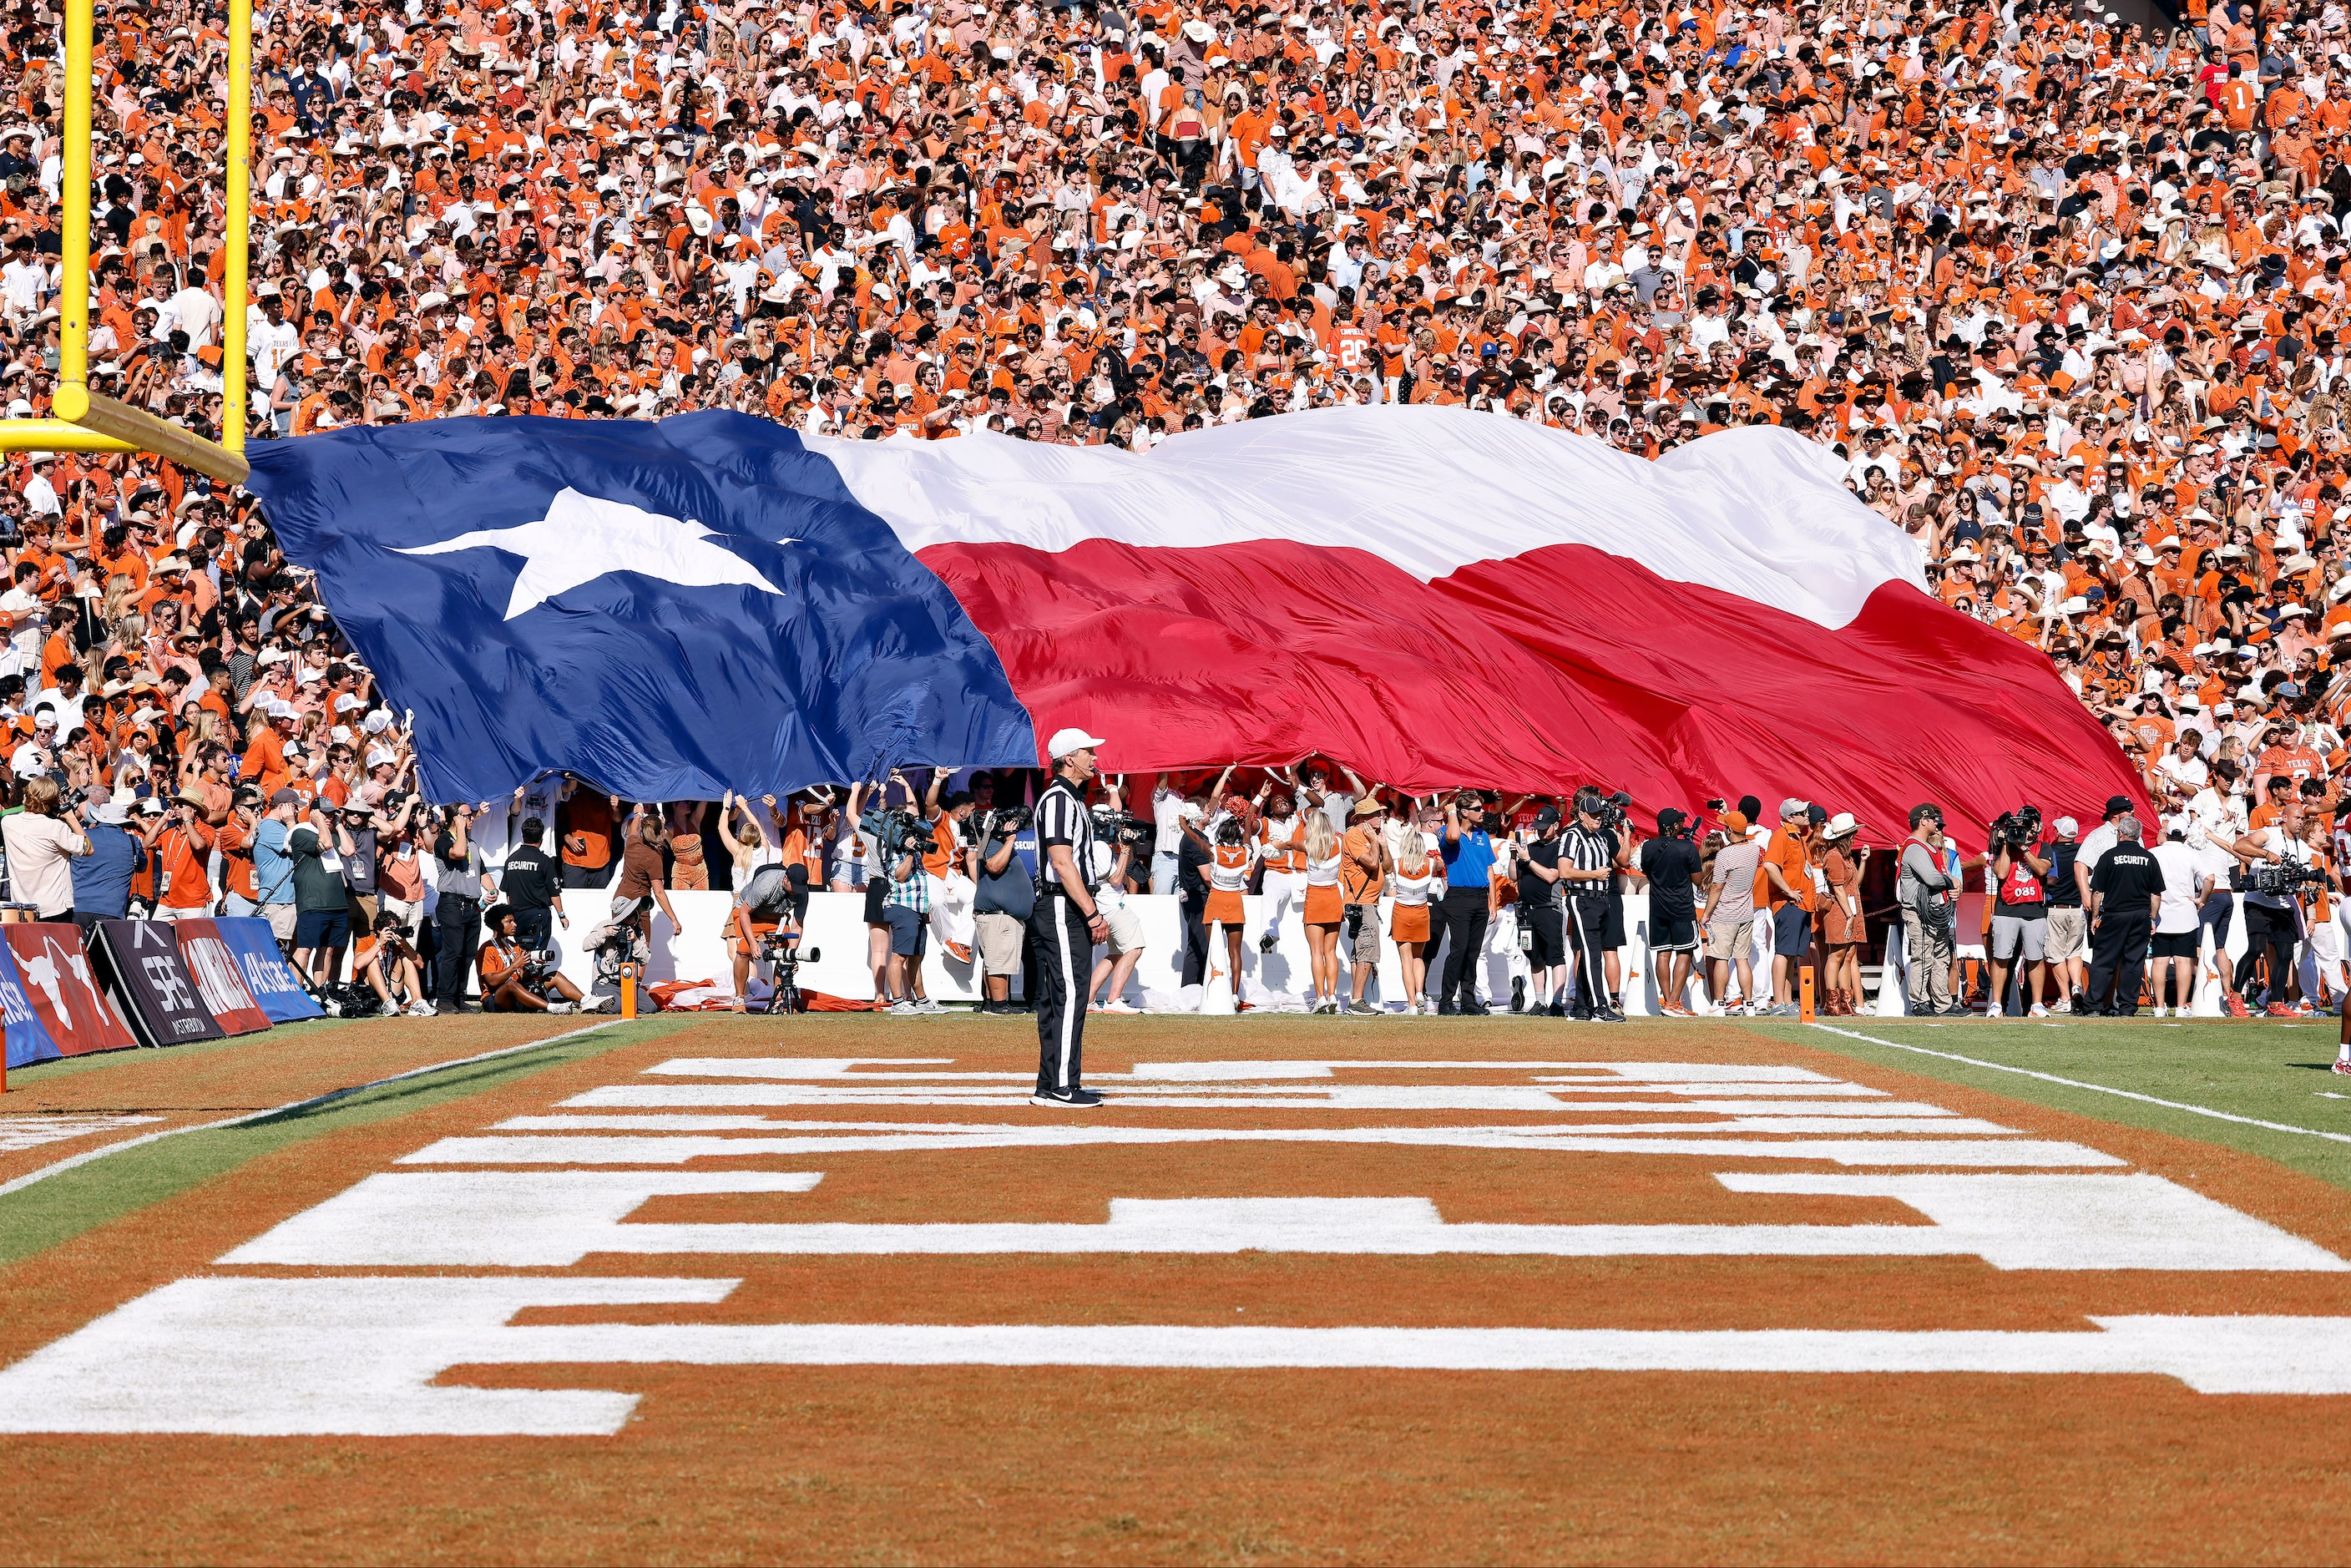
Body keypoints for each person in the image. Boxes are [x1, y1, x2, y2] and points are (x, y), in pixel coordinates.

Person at [1032, 729, 1109, 1107]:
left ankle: (1052, 1083)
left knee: (1059, 994)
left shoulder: (1069, 799)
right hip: (1062, 904)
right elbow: (1062, 862)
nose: (1095, 758)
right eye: (1088, 752)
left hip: (1065, 904)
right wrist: (1092, 914)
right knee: (1072, 993)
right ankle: (1062, 1085)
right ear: (1068, 758)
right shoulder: (1060, 800)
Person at [2086, 815, 2165, 1018]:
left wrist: (2095, 917)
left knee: (2104, 962)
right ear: (2137, 835)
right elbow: (2156, 894)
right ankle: (2128, 1007)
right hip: (2140, 916)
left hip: (2114, 915)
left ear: (2120, 834)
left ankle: (2094, 1005)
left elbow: (2097, 892)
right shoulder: (2149, 858)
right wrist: (2152, 918)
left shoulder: (2109, 856)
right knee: (2133, 963)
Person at [1558, 790, 1621, 1022]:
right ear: (1582, 814)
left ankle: (1581, 1007)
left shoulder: (1600, 838)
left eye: (1600, 814)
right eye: (1593, 814)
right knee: (1592, 953)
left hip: (1601, 899)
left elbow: (1619, 861)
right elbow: (1564, 871)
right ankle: (1600, 1007)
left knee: (1590, 954)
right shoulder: (1572, 835)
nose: (1598, 818)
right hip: (1582, 898)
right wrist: (1594, 874)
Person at [1434, 792, 1498, 1014]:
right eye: (1477, 809)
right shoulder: (1447, 831)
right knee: (1459, 950)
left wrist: (1493, 901)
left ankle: (1469, 1001)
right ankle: (1446, 1001)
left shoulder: (1482, 836)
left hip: (1480, 897)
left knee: (1473, 952)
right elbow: (1452, 835)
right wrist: (1450, 811)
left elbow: (1489, 869)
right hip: (1459, 897)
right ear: (1463, 812)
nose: (1483, 812)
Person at [1898, 805, 1963, 1018]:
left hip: (1934, 911)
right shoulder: (1915, 848)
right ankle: (1919, 1002)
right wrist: (1951, 882)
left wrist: (1954, 888)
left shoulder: (1927, 847)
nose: (1938, 823)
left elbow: (1939, 878)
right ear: (1923, 821)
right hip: (1919, 912)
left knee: (1941, 957)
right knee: (1923, 957)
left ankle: (1943, 1003)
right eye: (1935, 819)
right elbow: (1932, 878)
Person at [432, 802, 497, 1014]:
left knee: (468, 954)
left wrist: (492, 889)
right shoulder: (443, 841)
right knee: (453, 953)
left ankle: (459, 998)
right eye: (467, 816)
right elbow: (458, 853)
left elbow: (481, 870)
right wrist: (459, 828)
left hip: (471, 906)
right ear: (455, 819)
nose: (471, 819)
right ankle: (444, 999)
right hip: (452, 903)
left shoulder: (472, 844)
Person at [1641, 809, 1706, 1017]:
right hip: (1682, 908)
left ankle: (1668, 1001)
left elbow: (1648, 872)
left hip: (1658, 907)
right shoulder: (1687, 847)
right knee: (1685, 952)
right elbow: (1698, 880)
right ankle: (1673, 1003)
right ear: (1675, 826)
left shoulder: (1648, 846)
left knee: (1663, 953)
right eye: (1680, 821)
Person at [1986, 814, 2053, 1019]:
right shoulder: (2004, 847)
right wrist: (2007, 844)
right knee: (2001, 958)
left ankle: (2037, 1005)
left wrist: (2024, 847)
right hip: (2007, 909)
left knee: (2035, 958)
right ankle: (1996, 1004)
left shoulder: (2043, 847)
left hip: (2034, 910)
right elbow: (2001, 873)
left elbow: (2042, 869)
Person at [973, 803, 1034, 1017]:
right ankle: (999, 1005)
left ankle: (994, 1003)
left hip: (1001, 917)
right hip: (999, 918)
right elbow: (994, 866)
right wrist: (1009, 840)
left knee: (995, 961)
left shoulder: (993, 842)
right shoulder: (992, 843)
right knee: (998, 963)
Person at [1759, 800, 1818, 1017]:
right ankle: (1778, 1003)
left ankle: (1787, 1001)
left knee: (1792, 953)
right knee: (1783, 951)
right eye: (1802, 812)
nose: (1807, 815)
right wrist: (1788, 891)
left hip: (1801, 903)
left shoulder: (1798, 837)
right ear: (1790, 817)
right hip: (1788, 903)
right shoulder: (1781, 836)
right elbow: (1769, 865)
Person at [727, 858, 809, 1013]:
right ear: (785, 878)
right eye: (794, 887)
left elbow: (797, 926)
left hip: (776, 917)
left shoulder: (803, 893)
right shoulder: (766, 884)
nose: (796, 892)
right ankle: (739, 998)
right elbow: (744, 913)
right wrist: (752, 943)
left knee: (783, 956)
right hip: (749, 914)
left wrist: (791, 955)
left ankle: (779, 1000)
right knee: (743, 952)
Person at [1702, 812, 1764, 1015]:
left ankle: (1719, 1003)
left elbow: (1717, 887)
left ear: (1729, 830)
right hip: (1746, 913)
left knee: (1721, 958)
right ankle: (1749, 1004)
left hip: (1725, 913)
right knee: (1742, 959)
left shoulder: (1725, 855)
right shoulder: (1753, 849)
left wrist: (1706, 914)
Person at [4, 776, 90, 920]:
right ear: (54, 801)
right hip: (56, 907)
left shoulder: (7, 823)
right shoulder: (56, 828)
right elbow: (88, 849)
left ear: (26, 796)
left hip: (24, 910)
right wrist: (70, 818)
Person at [2150, 819, 2210, 1019]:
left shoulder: (2154, 853)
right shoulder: (2191, 854)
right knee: (2183, 961)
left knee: (2160, 962)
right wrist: (2202, 899)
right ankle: (2181, 1006)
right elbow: (2209, 878)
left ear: (2165, 834)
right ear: (2185, 836)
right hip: (2185, 915)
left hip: (2159, 916)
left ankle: (2159, 1006)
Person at [477, 904, 583, 1014]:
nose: (515, 925)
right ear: (498, 925)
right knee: (511, 985)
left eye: (514, 921)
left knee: (554, 976)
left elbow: (522, 977)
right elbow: (492, 982)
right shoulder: (487, 949)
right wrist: (515, 966)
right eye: (509, 922)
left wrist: (532, 970)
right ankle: (553, 1008)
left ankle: (587, 1001)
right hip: (495, 997)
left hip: (517, 992)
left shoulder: (514, 946)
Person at [1514, 807, 1569, 1016]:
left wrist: (1528, 860)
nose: (1541, 832)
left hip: (1549, 908)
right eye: (1538, 828)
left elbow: (1551, 876)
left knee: (1555, 956)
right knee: (1534, 957)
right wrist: (1514, 856)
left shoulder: (1560, 848)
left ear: (1556, 826)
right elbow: (1514, 876)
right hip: (1527, 911)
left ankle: (1556, 1003)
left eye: (1545, 828)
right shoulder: (1532, 847)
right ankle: (1539, 1001)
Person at [1201, 812, 1258, 1011]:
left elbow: (1195, 840)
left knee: (1213, 951)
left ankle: (1215, 990)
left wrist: (1184, 827)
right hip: (1235, 901)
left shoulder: (1214, 851)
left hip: (1216, 900)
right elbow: (1248, 838)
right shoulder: (1245, 851)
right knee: (1235, 952)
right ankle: (1234, 994)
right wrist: (1248, 822)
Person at [1340, 797, 1390, 1015]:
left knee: (1360, 952)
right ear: (1365, 818)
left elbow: (1387, 867)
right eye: (1377, 814)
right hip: (1361, 903)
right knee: (1368, 951)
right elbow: (1371, 863)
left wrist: (1383, 846)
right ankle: (1357, 1001)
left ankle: (1357, 999)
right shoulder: (1354, 836)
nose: (1381, 817)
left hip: (1368, 903)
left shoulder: (1372, 837)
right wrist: (1374, 845)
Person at [68, 792, 145, 933]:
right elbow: (141, 867)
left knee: (77, 954)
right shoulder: (132, 842)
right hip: (111, 911)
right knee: (104, 954)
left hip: (77, 907)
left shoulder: (81, 838)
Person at [1297, 812, 1347, 1014]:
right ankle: (1333, 994)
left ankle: (1320, 998)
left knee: (1316, 952)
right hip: (1334, 897)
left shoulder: (1307, 845)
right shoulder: (1339, 842)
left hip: (1316, 899)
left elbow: (1288, 846)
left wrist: (1277, 846)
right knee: (1330, 951)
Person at [1390, 826, 1441, 1014]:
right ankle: (1419, 992)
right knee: (1418, 956)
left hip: (1402, 912)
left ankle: (1412, 1004)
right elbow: (1441, 864)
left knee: (1406, 961)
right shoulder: (1429, 863)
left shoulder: (1397, 864)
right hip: (1421, 912)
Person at [500, 816, 567, 956]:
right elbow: (554, 893)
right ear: (541, 839)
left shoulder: (510, 860)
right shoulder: (544, 861)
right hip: (538, 917)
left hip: (517, 917)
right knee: (538, 958)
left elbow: (509, 895)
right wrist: (562, 915)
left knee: (521, 957)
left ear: (522, 835)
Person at [2043, 817, 2090, 1014]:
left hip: (2056, 908)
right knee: (2075, 952)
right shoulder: (2082, 852)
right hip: (2078, 908)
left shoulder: (2051, 852)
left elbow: (2049, 879)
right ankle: (2076, 986)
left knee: (2056, 955)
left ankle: (2065, 998)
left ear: (2058, 833)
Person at [251, 790, 301, 948]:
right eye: (294, 807)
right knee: (276, 949)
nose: (297, 811)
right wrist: (290, 822)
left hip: (285, 899)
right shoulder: (271, 827)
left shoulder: (278, 826)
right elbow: (298, 845)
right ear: (282, 807)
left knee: (287, 949)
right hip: (279, 900)